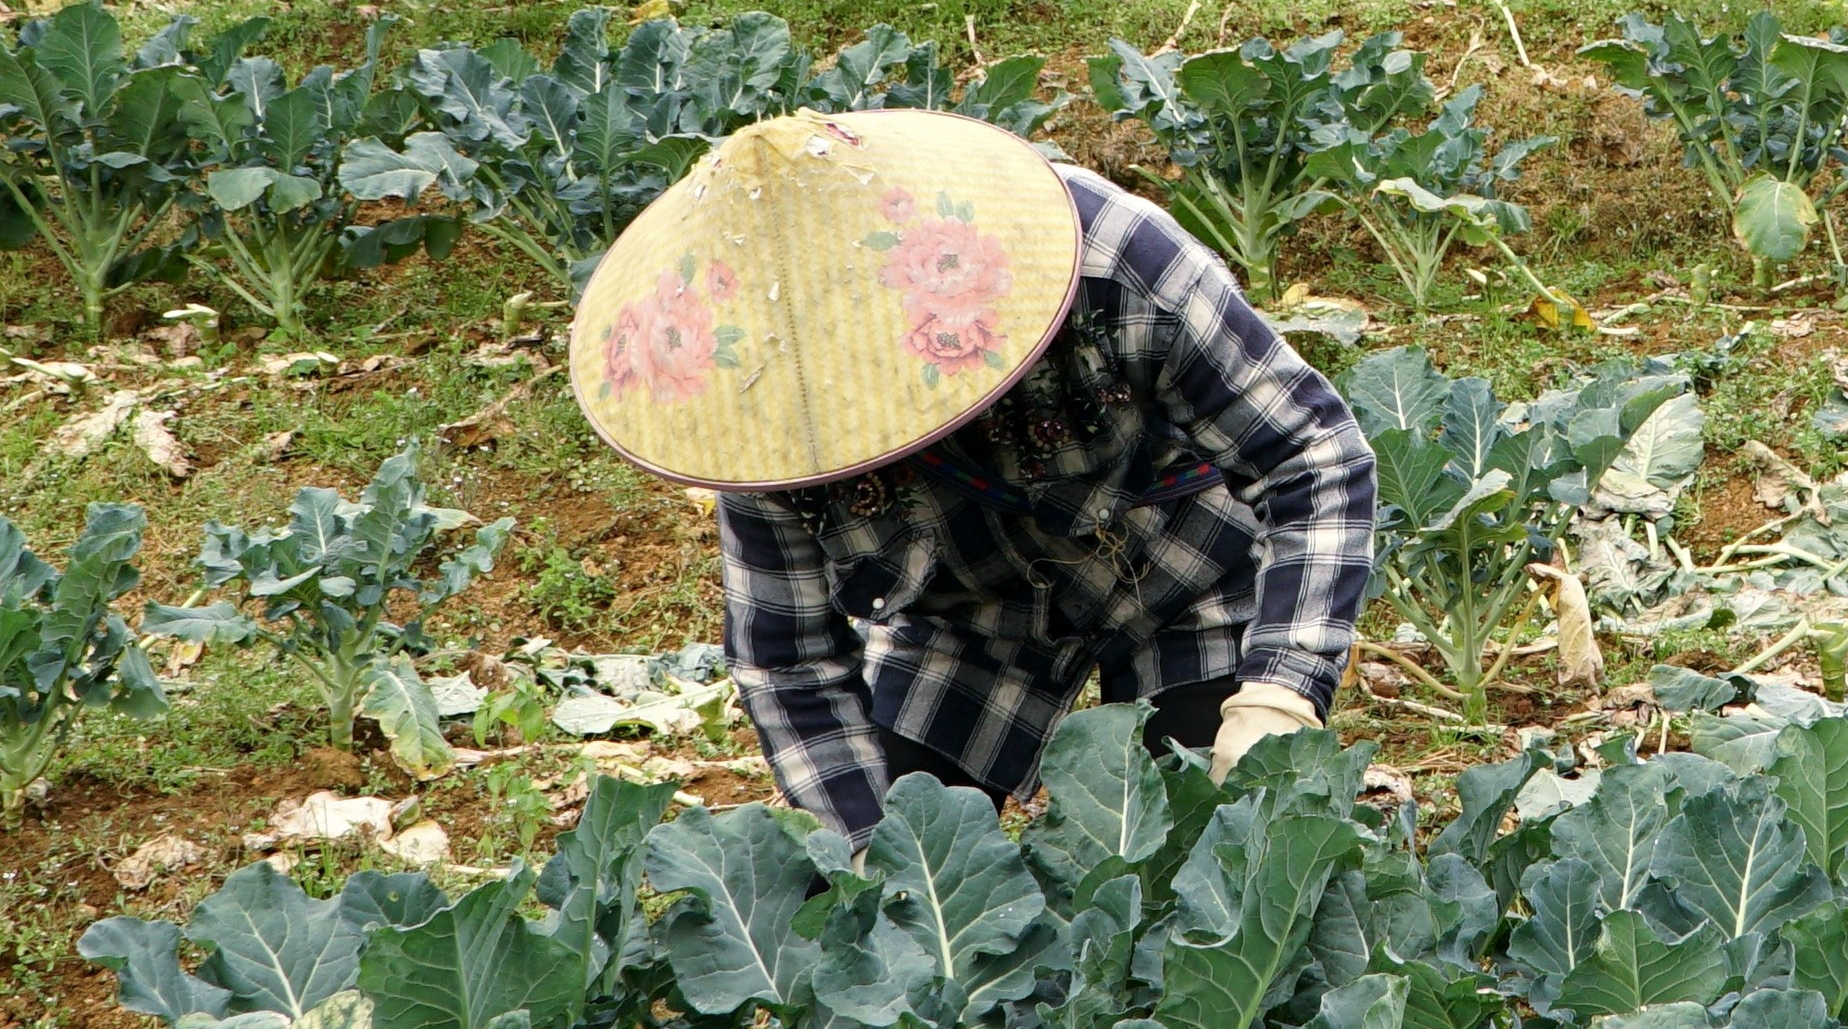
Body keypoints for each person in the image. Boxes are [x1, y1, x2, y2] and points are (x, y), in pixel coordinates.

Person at [567, 105, 1379, 833]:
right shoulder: (767, 411)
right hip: (966, 622)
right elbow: (790, 661)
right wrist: (872, 861)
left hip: (1192, 566)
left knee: (1226, 839)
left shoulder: (1109, 261)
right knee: (906, 842)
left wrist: (1280, 689)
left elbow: (1311, 453)